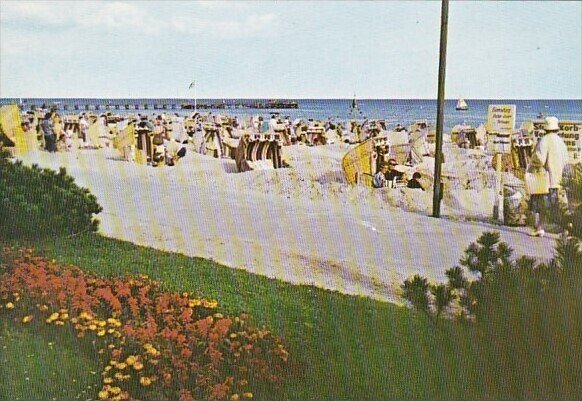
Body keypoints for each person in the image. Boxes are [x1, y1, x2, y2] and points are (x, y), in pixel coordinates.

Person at [527, 116, 569, 237]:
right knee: (555, 205)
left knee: (542, 205)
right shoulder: (561, 142)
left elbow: (540, 159)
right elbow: (565, 160)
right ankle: (565, 227)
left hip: (545, 179)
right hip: (558, 179)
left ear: (546, 129)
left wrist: (532, 161)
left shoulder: (544, 140)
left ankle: (540, 228)